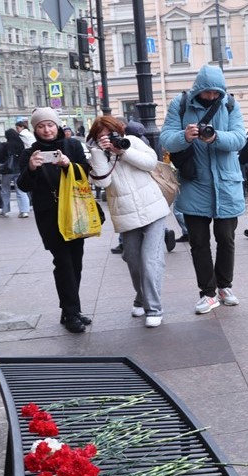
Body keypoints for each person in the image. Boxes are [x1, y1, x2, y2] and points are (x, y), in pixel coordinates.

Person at [160, 64, 247, 315]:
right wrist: (185, 136)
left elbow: (240, 138)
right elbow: (166, 139)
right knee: (198, 242)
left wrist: (215, 137)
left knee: (226, 239)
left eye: (216, 92)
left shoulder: (230, 104)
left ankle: (224, 287)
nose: (211, 96)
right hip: (193, 183)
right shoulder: (180, 104)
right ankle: (207, 293)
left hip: (226, 184)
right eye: (207, 92)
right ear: (198, 89)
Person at [16, 107, 94, 334]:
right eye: (41, 126)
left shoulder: (72, 146)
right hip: (49, 215)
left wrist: (68, 165)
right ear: (35, 129)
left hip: (75, 211)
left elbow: (86, 173)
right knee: (63, 262)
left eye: (50, 124)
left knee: (76, 261)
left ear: (57, 125)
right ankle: (71, 313)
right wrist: (31, 168)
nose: (47, 130)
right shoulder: (30, 153)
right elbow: (23, 185)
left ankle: (69, 309)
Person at [88, 115, 169, 328]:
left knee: (150, 260)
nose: (109, 139)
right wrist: (99, 153)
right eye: (102, 136)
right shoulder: (98, 154)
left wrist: (123, 151)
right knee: (132, 260)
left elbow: (150, 163)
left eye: (111, 134)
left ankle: (154, 309)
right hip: (126, 214)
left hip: (153, 209)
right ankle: (141, 298)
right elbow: (103, 182)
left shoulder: (132, 142)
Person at [124, 120, 177, 253]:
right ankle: (164, 231)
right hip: (149, 184)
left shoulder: (132, 143)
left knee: (142, 214)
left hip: (141, 183)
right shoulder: (144, 139)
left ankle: (123, 242)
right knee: (151, 215)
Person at [0, 128, 32, 218]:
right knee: (21, 190)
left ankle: (5, 210)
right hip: (19, 170)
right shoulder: (21, 144)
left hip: (7, 171)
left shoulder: (4, 145)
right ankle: (24, 211)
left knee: (5, 190)